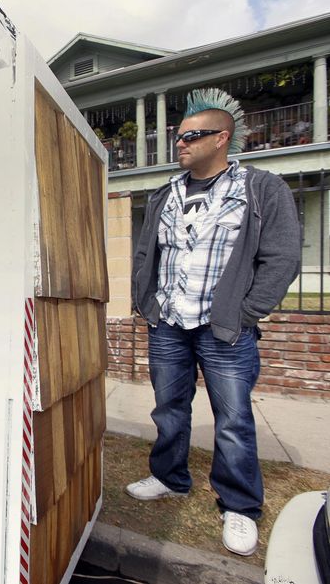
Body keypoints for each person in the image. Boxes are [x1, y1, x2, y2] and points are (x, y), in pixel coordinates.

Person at [128, 88, 301, 557]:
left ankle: (240, 505)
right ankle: (169, 477)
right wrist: (146, 304)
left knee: (233, 419)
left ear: (221, 138)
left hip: (223, 327)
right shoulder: (166, 193)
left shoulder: (260, 189)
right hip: (168, 324)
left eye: (191, 136)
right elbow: (148, 252)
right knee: (168, 409)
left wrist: (247, 311)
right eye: (178, 138)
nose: (179, 144)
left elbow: (282, 256)